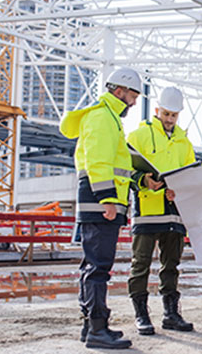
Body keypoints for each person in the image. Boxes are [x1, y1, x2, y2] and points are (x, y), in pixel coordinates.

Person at [59, 67, 141, 349]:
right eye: (133, 95)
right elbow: (98, 161)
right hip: (100, 202)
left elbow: (115, 164)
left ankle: (91, 326)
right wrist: (107, 199)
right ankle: (96, 329)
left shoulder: (107, 117)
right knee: (98, 267)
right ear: (120, 91)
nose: (133, 101)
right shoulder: (102, 117)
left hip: (101, 201)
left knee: (93, 265)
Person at [126, 86, 195, 335]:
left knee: (171, 265)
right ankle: (141, 314)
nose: (169, 119)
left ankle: (171, 313)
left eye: (174, 115)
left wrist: (180, 189)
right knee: (140, 263)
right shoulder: (139, 136)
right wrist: (143, 180)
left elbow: (189, 175)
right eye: (166, 113)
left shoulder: (184, 142)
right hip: (147, 210)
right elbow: (124, 168)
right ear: (157, 110)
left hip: (174, 212)